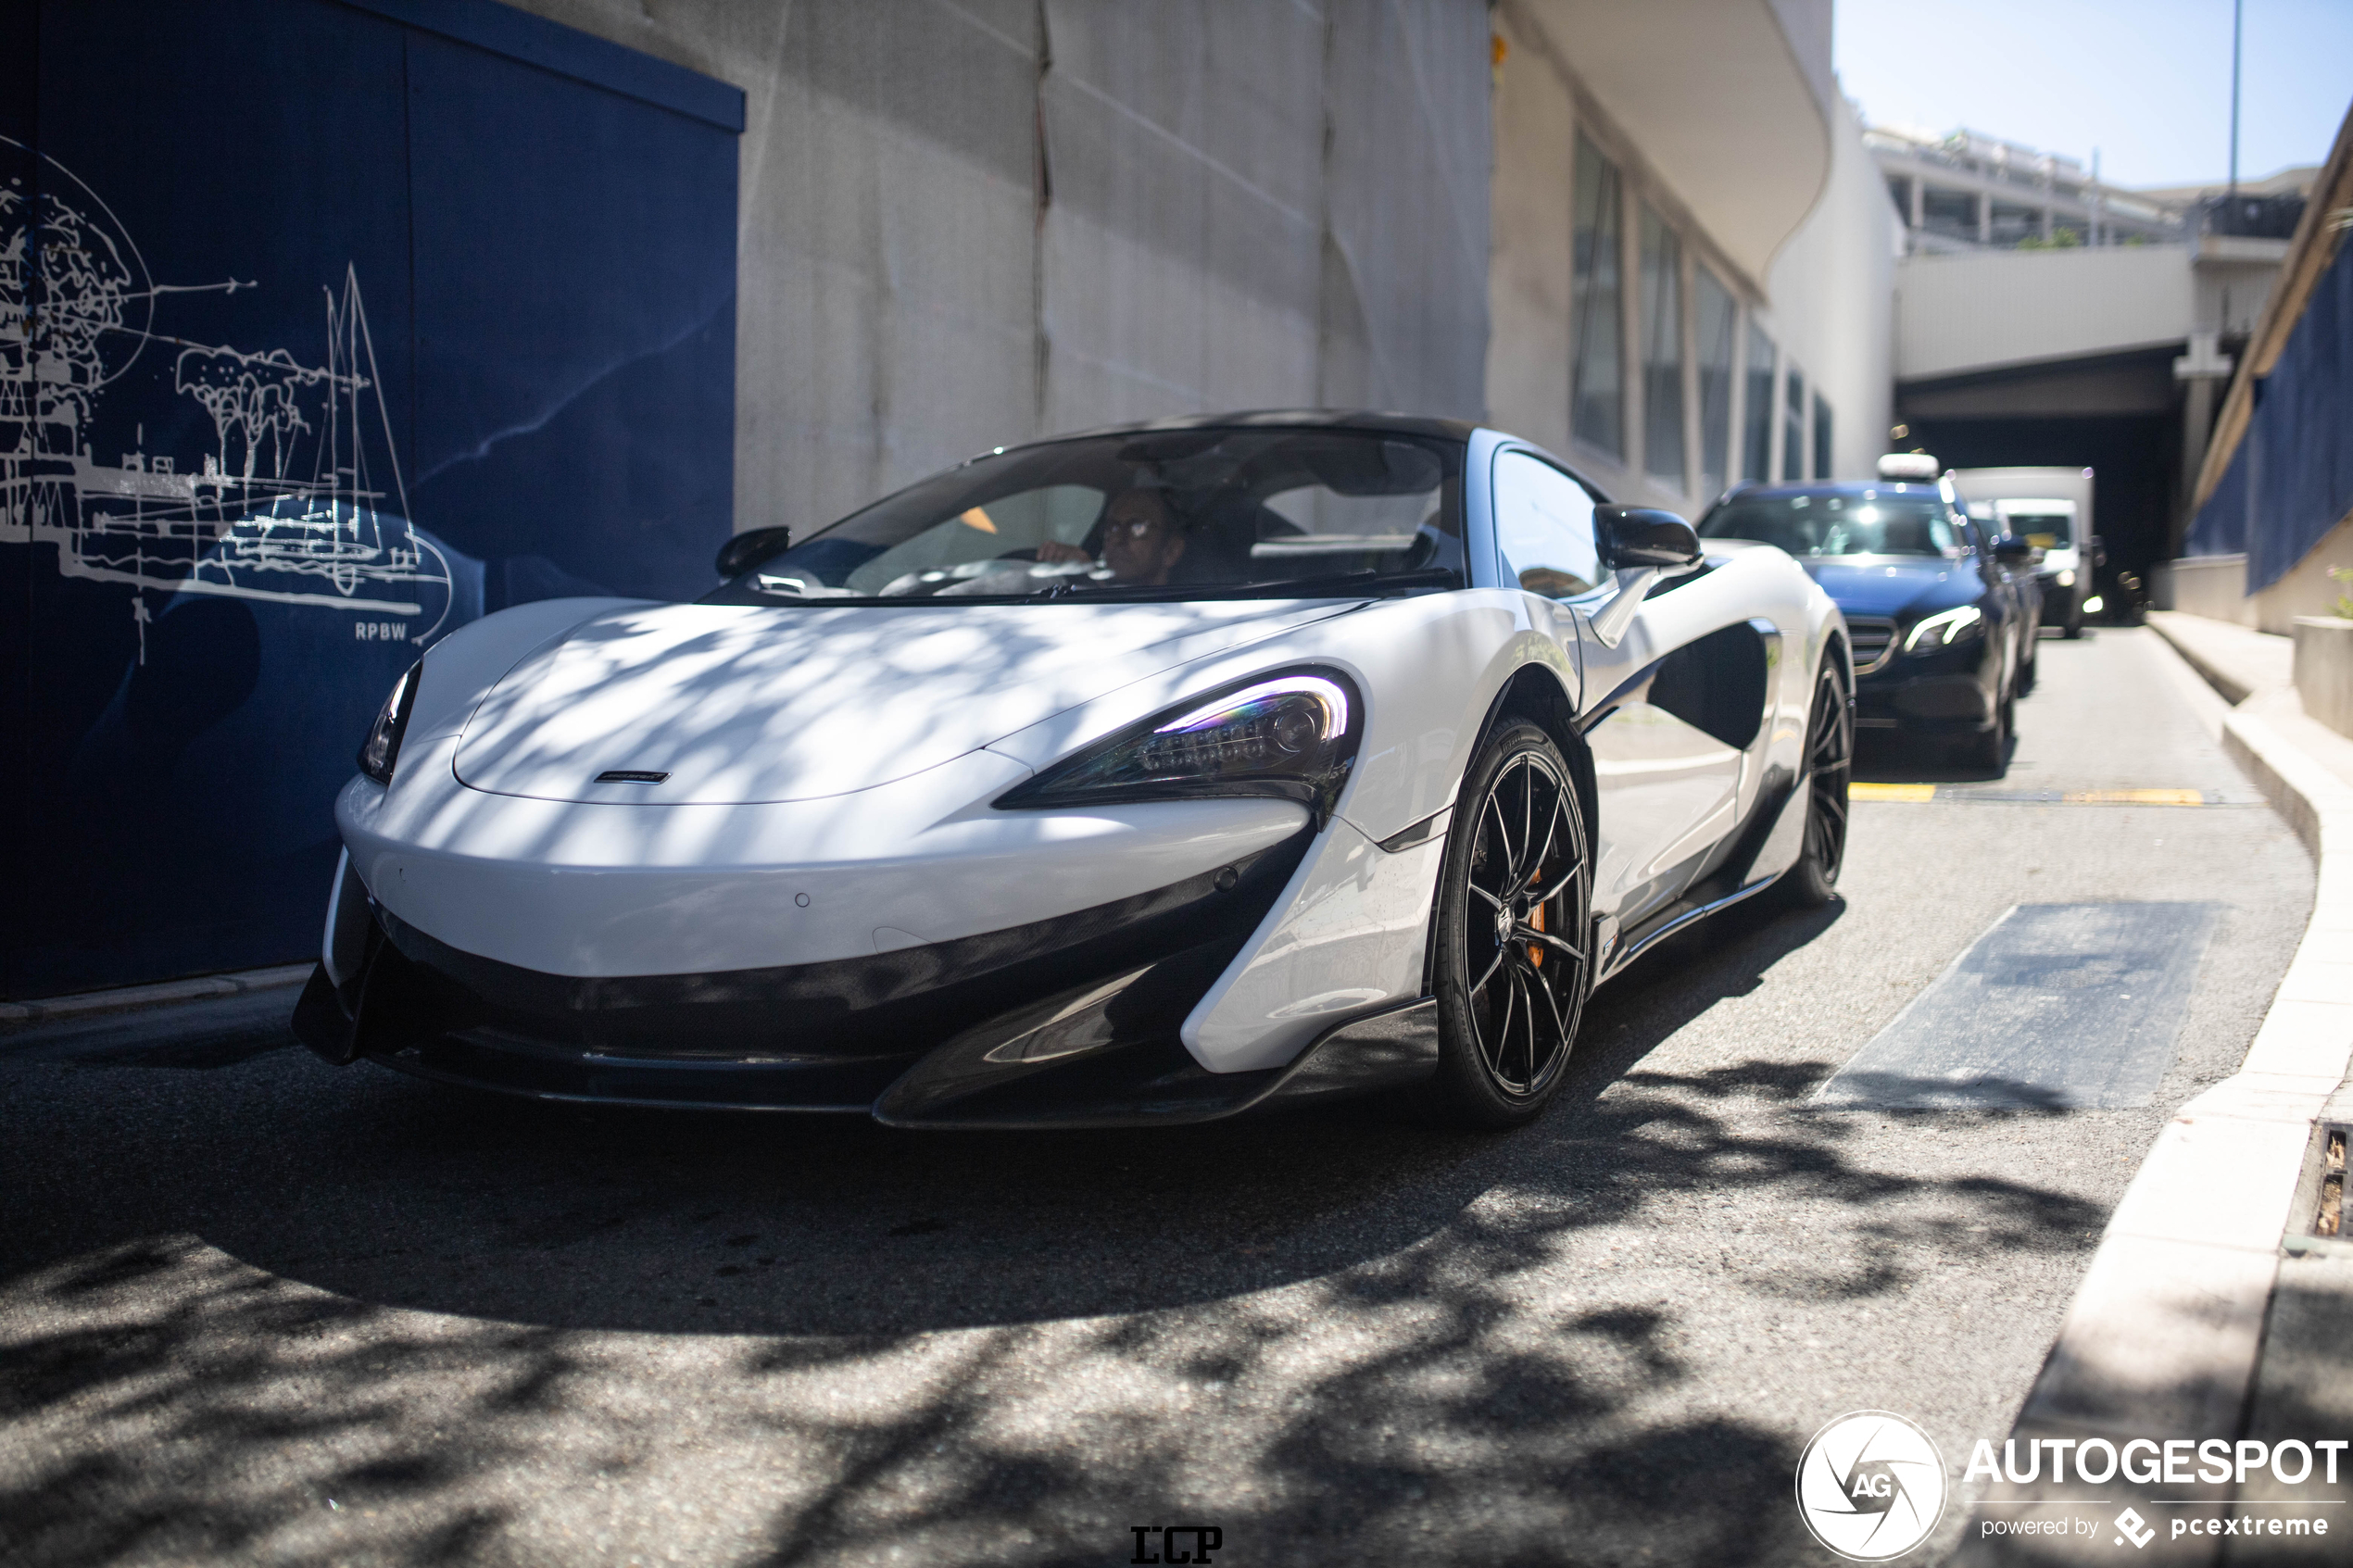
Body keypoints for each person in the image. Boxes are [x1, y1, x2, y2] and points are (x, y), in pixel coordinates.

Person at [1035, 487, 1190, 584]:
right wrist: (1082, 572)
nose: (1118, 539)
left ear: (1172, 550)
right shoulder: (1077, 595)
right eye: (1113, 528)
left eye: (1137, 527)